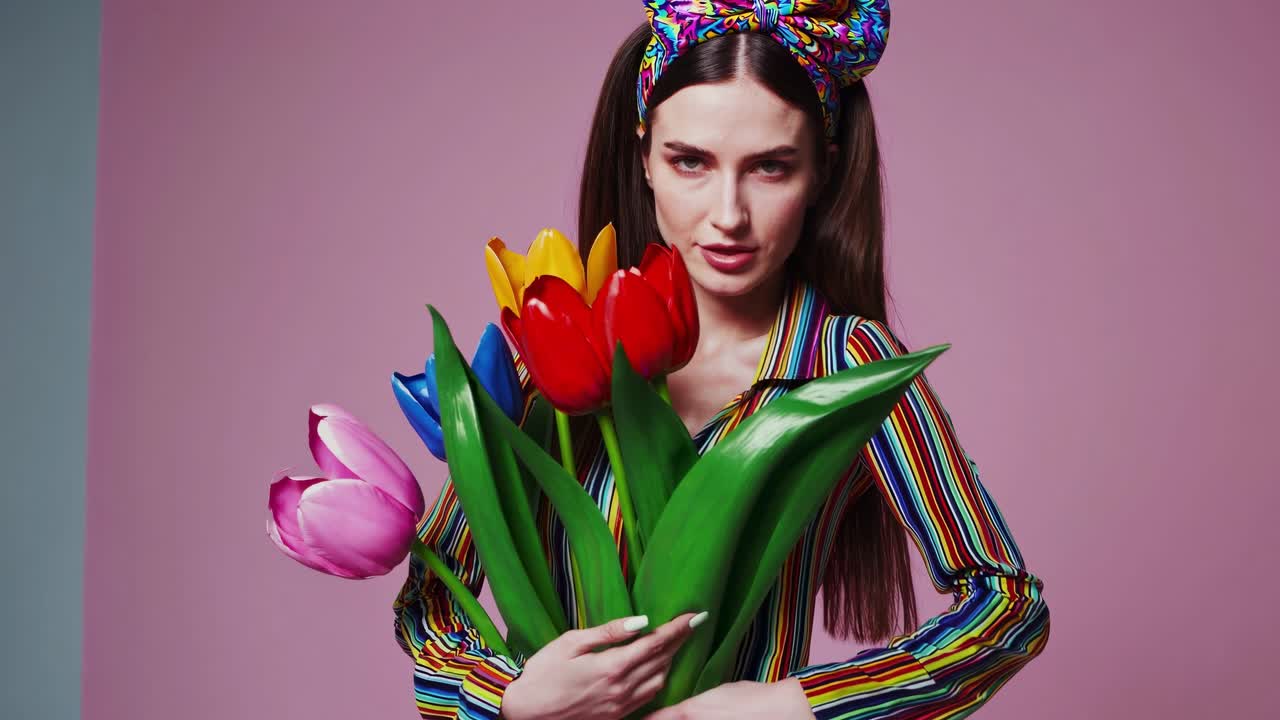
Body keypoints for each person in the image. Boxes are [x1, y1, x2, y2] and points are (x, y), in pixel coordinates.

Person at [393, 3, 1051, 719]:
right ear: (643, 157)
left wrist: (796, 706)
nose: (728, 214)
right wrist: (513, 699)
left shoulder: (849, 367)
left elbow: (1008, 606)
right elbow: (425, 599)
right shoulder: (558, 344)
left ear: (822, 172)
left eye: (770, 167)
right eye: (691, 162)